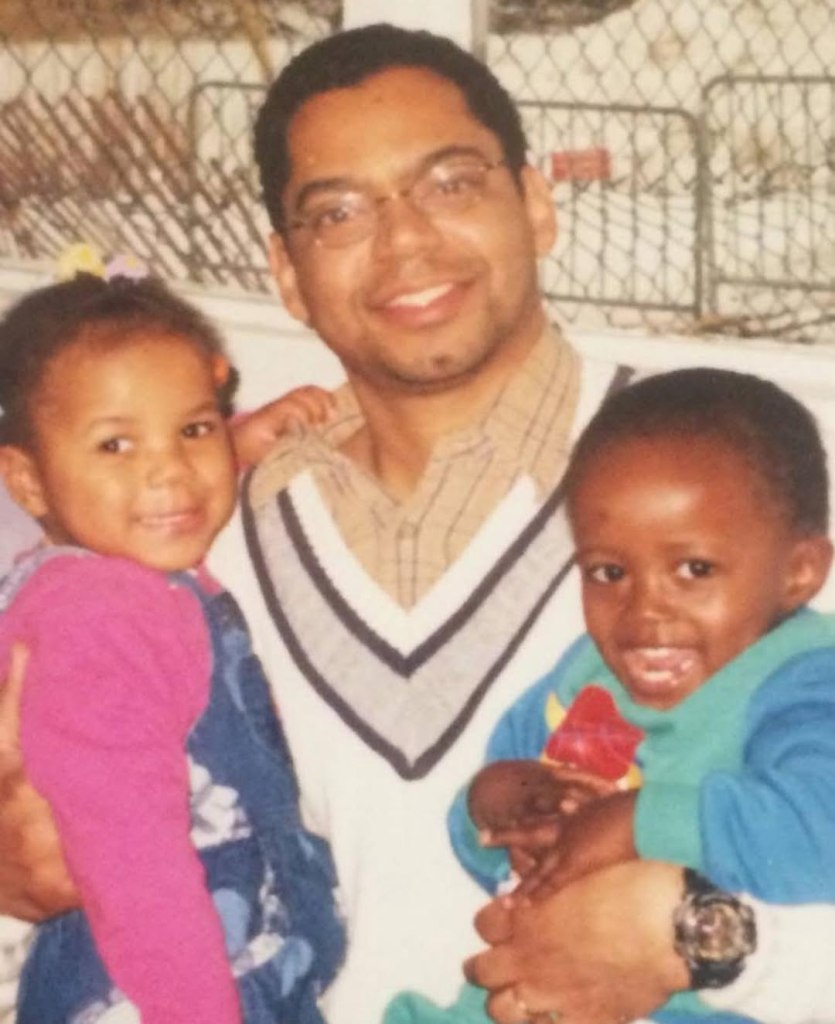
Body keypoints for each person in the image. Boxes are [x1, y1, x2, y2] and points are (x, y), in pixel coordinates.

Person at [3, 23, 835, 1024]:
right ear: (285, 272)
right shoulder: (187, 544)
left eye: (449, 183)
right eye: (340, 211)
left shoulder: (734, 489)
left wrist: (699, 938)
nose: (404, 242)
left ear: (535, 204)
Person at [385, 367, 835, 1024]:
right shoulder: (591, 682)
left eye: (694, 569)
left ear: (798, 572)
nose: (643, 609)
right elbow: (491, 827)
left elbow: (818, 831)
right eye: (609, 571)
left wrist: (633, 823)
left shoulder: (804, 681)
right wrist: (503, 805)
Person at [0, 270, 345, 1023]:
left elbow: (158, 479)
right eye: (115, 444)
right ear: (28, 481)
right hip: (157, 988)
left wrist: (237, 443)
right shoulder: (100, 623)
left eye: (194, 430)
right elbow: (132, 867)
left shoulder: (103, 574)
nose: (169, 470)